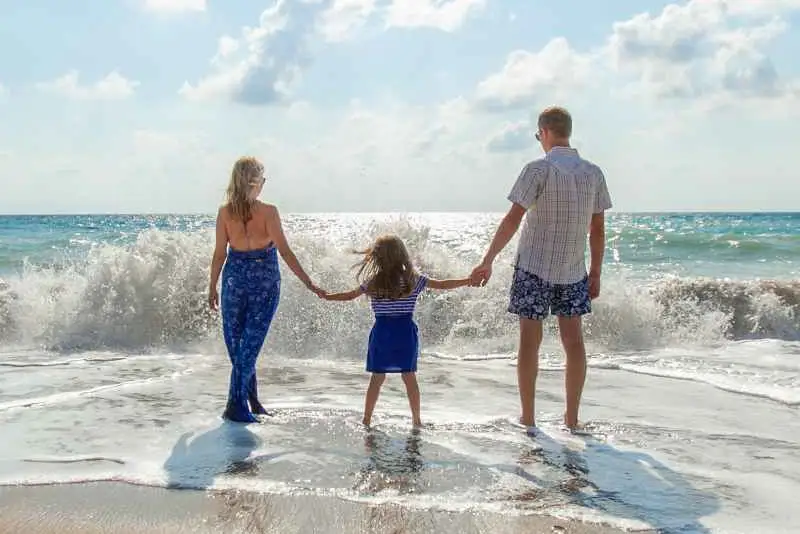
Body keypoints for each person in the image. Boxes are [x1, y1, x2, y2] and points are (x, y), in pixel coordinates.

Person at [470, 106, 612, 431]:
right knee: (574, 343)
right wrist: (597, 272)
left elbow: (512, 220)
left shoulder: (538, 170)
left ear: (545, 132)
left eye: (538, 136)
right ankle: (572, 419)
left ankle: (529, 419)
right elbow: (599, 230)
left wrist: (488, 259)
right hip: (573, 270)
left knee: (529, 344)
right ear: (568, 132)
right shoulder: (593, 173)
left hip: (533, 267)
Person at [208, 156, 323, 423]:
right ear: (257, 182)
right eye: (263, 178)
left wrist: (212, 286)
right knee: (246, 346)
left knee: (241, 346)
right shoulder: (268, 212)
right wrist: (308, 282)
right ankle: (236, 405)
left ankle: (251, 401)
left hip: (234, 280)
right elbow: (284, 251)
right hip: (263, 281)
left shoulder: (225, 212)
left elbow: (219, 254)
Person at [321, 235, 473, 428]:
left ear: (378, 258)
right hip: (404, 334)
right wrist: (468, 280)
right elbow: (442, 284)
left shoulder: (373, 282)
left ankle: (366, 419)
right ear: (402, 255)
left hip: (382, 334)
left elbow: (350, 296)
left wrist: (327, 296)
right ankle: (417, 420)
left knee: (377, 378)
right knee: (409, 377)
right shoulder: (413, 280)